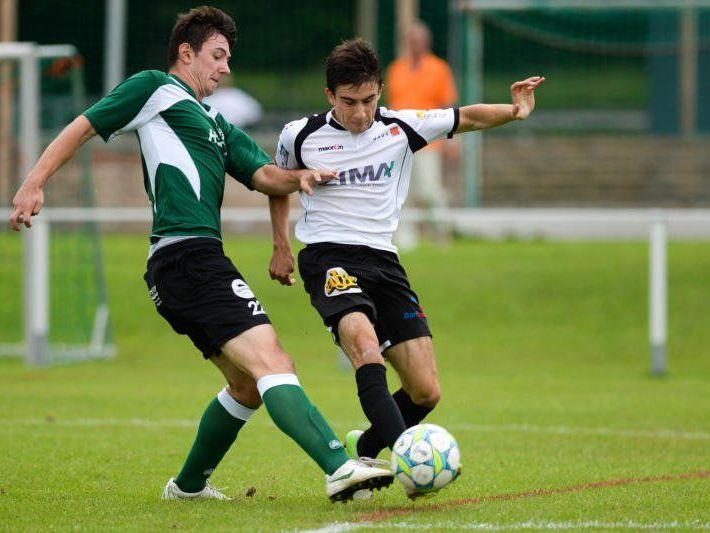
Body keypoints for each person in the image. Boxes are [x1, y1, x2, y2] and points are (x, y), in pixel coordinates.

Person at [9, 7, 392, 503]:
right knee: (272, 361)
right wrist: (33, 183)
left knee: (247, 385)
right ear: (186, 53)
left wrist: (302, 176)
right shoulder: (153, 88)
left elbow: (263, 176)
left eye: (228, 57)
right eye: (217, 55)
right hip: (187, 257)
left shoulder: (216, 122)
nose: (225, 67)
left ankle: (187, 487)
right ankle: (340, 466)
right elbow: (83, 126)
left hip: (189, 262)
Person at [271, 38, 543, 498]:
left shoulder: (401, 126)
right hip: (328, 255)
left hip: (384, 260)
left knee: (425, 391)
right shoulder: (299, 135)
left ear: (380, 90)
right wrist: (281, 245)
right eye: (348, 102)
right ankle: (408, 459)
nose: (360, 113)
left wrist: (515, 111)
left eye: (369, 100)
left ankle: (368, 444)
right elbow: (275, 183)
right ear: (329, 96)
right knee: (363, 342)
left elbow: (466, 116)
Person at [385, 21, 458, 250]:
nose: (414, 43)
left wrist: (453, 140)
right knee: (401, 191)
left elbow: (448, 106)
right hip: (399, 140)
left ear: (426, 42)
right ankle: (405, 240)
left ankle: (442, 233)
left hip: (429, 141)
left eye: (418, 39)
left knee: (429, 189)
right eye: (411, 39)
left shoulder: (439, 68)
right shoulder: (396, 69)